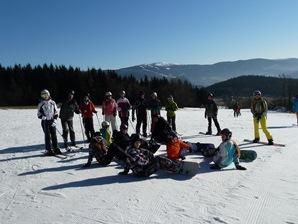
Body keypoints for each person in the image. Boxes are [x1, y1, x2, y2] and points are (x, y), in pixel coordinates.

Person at [37, 89, 62, 155]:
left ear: (49, 95)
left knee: (54, 135)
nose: (45, 96)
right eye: (43, 95)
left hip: (52, 121)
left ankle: (56, 149)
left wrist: (55, 120)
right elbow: (38, 114)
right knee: (47, 136)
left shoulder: (53, 102)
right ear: (42, 96)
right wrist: (42, 117)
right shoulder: (41, 104)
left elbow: (56, 112)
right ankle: (49, 150)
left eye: (46, 95)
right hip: (45, 122)